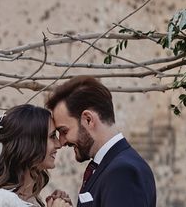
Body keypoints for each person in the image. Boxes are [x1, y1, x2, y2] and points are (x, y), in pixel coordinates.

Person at [46, 76, 156, 207]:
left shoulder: (122, 172)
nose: (62, 142)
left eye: (64, 131)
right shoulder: (111, 164)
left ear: (88, 119)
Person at [0, 104, 72, 207]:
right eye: (52, 136)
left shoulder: (34, 201)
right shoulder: (0, 200)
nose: (59, 144)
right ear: (30, 144)